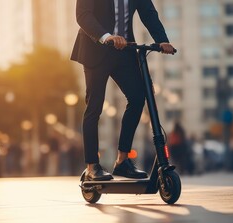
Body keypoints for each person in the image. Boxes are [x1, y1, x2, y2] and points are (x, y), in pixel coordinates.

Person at [71, 0, 175, 181]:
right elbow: (83, 15)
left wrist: (162, 40)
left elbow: (149, 14)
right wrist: (106, 36)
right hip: (97, 49)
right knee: (94, 107)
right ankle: (92, 166)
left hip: (124, 50)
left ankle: (123, 160)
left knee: (138, 97)